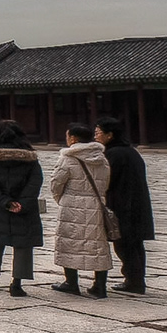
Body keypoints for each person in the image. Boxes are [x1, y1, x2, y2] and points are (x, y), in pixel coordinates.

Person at [0, 120, 43, 297]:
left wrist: (4, 201)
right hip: (24, 208)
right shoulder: (29, 158)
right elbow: (35, 181)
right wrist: (23, 202)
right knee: (23, 243)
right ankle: (17, 284)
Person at [50, 122, 113, 298]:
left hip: (71, 205)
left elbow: (56, 184)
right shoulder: (102, 158)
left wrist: (61, 200)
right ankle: (99, 286)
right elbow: (105, 183)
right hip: (96, 204)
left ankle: (71, 282)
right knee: (98, 245)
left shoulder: (67, 158)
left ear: (73, 138)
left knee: (69, 242)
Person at [97, 117, 154, 295]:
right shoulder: (131, 152)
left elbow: (107, 180)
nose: (96, 136)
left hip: (122, 206)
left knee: (125, 245)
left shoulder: (114, 154)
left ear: (109, 135)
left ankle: (133, 281)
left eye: (98, 132)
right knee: (135, 245)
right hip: (137, 204)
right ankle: (136, 279)